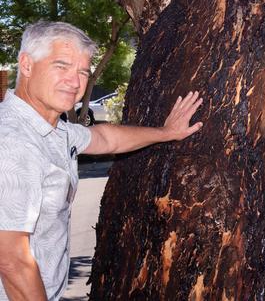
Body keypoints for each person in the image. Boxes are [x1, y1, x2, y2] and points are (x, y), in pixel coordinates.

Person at [0, 21, 203, 301]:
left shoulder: (54, 131)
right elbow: (11, 260)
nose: (75, 82)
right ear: (26, 65)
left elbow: (106, 138)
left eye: (83, 71)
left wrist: (166, 132)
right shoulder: (12, 140)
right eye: (61, 66)